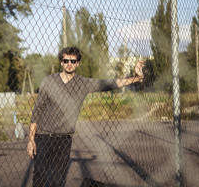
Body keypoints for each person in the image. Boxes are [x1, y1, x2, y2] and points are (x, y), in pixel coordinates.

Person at [27, 46, 144, 187]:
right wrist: (31, 139)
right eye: (66, 60)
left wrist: (136, 78)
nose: (69, 63)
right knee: (39, 177)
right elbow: (37, 110)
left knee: (57, 181)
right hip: (43, 137)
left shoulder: (83, 83)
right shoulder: (49, 81)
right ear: (61, 62)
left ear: (78, 63)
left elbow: (109, 84)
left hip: (64, 139)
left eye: (73, 61)